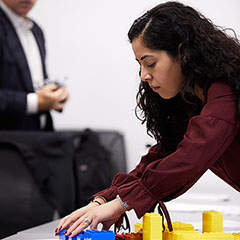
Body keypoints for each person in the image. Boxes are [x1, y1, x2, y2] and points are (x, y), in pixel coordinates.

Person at [56, 1, 240, 237]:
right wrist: (104, 200)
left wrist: (121, 204)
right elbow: (164, 155)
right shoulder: (193, 99)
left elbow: (192, 155)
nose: (144, 75)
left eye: (150, 63)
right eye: (140, 65)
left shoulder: (225, 92)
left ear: (183, 53)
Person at [0, 0, 69, 130]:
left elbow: (36, 82)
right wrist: (35, 102)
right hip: (7, 142)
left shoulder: (36, 31)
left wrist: (54, 95)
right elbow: (35, 99)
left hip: (37, 137)